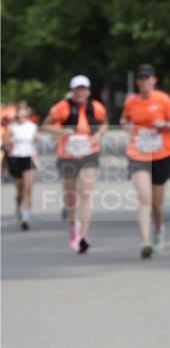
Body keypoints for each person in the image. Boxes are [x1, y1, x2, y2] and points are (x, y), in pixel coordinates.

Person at [121, 64, 170, 259]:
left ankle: (159, 230)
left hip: (160, 154)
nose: (144, 82)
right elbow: (124, 120)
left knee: (157, 203)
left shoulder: (163, 100)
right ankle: (145, 242)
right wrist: (126, 126)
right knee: (144, 198)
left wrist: (165, 124)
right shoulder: (131, 101)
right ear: (137, 82)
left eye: (147, 78)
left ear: (154, 80)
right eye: (140, 79)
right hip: (138, 154)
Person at [43, 77, 108, 253]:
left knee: (85, 193)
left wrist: (99, 135)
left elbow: (104, 123)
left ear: (88, 91)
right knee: (71, 195)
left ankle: (84, 236)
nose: (80, 92)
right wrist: (62, 131)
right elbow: (46, 126)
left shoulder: (96, 107)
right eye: (77, 89)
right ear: (72, 91)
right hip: (67, 154)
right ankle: (74, 227)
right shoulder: (61, 107)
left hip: (89, 152)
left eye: (83, 89)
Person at [5, 100, 39, 230]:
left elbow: (38, 139)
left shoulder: (32, 126)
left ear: (27, 114)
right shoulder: (11, 127)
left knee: (27, 189)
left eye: (24, 116)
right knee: (20, 190)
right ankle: (19, 206)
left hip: (29, 158)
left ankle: (26, 217)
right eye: (19, 116)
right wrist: (9, 142)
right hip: (15, 158)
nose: (21, 118)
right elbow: (6, 142)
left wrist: (38, 137)